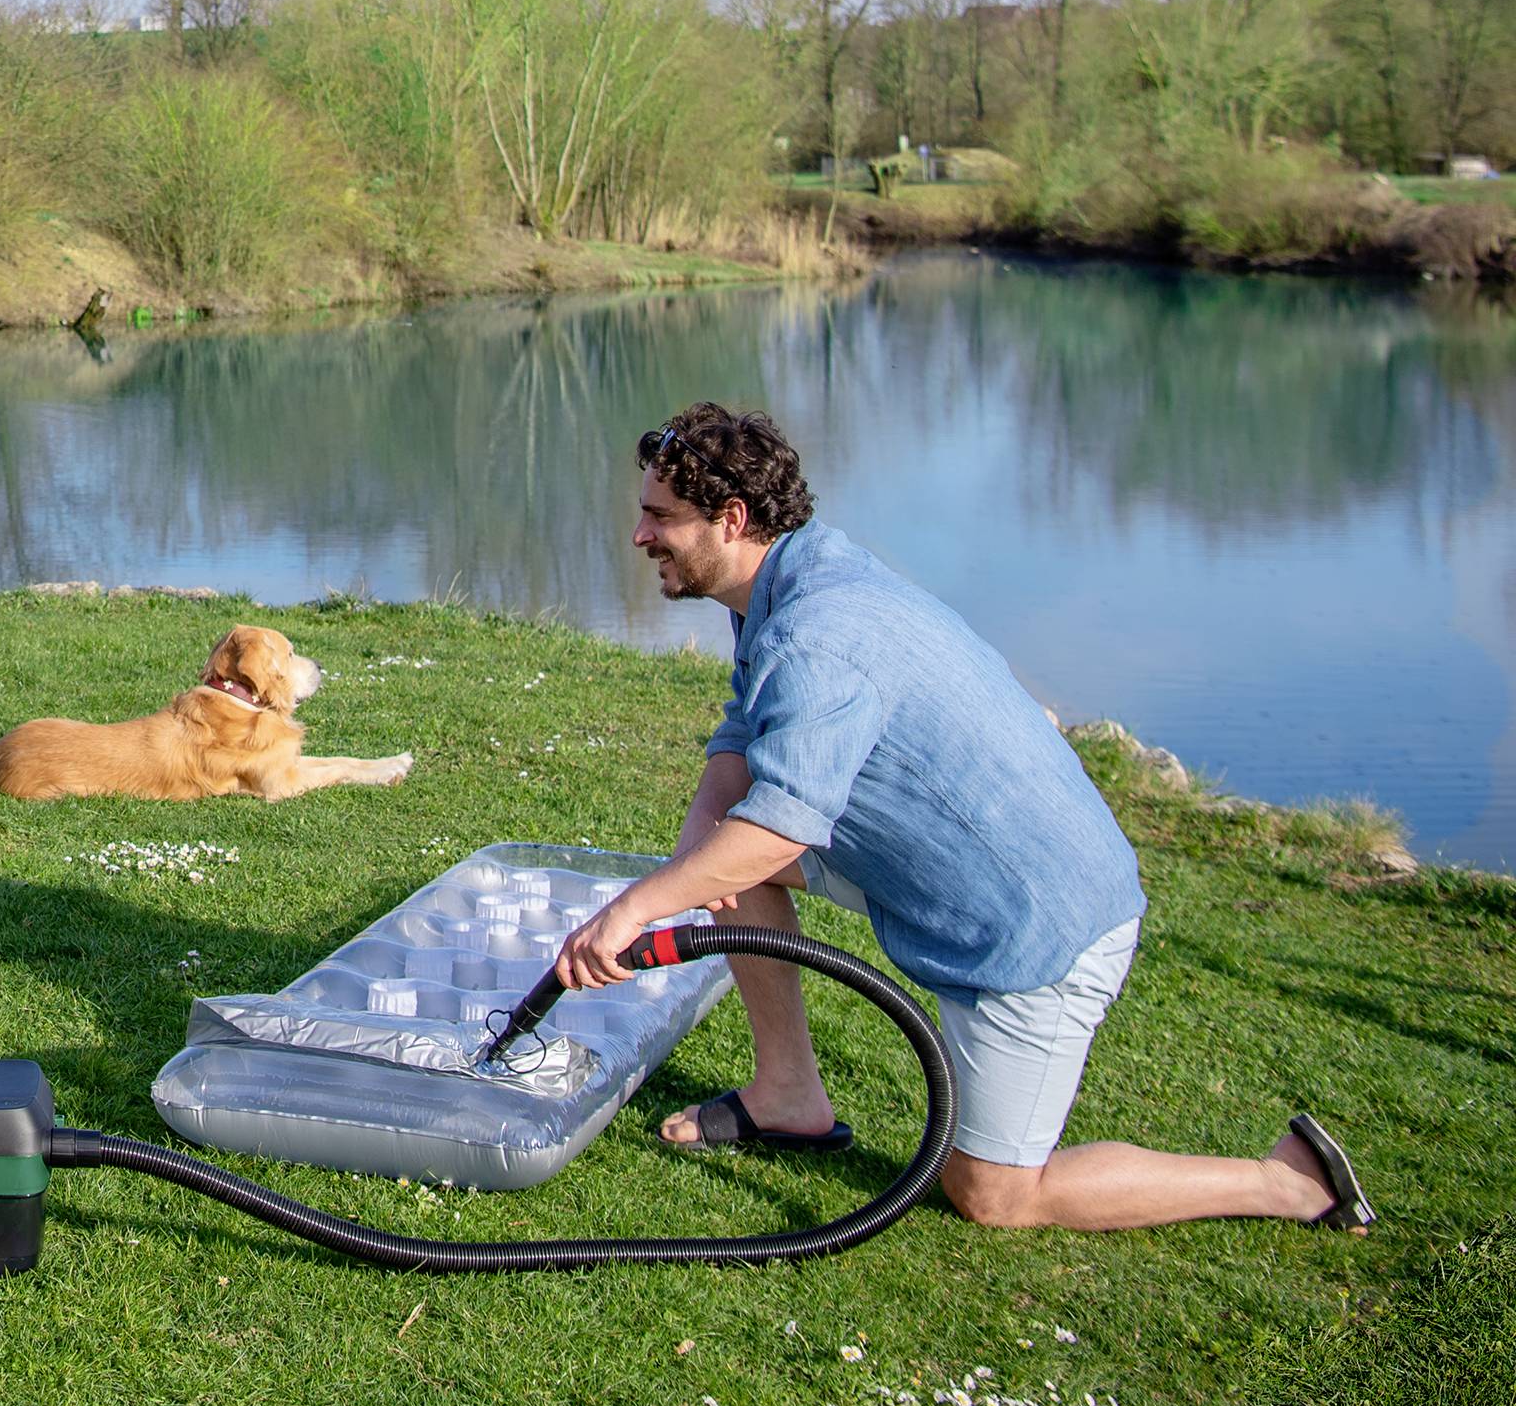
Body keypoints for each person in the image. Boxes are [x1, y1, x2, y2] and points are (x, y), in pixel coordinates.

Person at [553, 401, 1375, 1235]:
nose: (640, 535)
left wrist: (638, 906)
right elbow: (742, 735)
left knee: (994, 1196)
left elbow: (778, 829)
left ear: (731, 520)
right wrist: (696, 846)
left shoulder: (818, 636)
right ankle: (788, 1096)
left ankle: (1286, 1180)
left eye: (660, 517)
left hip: (1034, 926)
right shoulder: (785, 577)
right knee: (728, 865)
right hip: (965, 872)